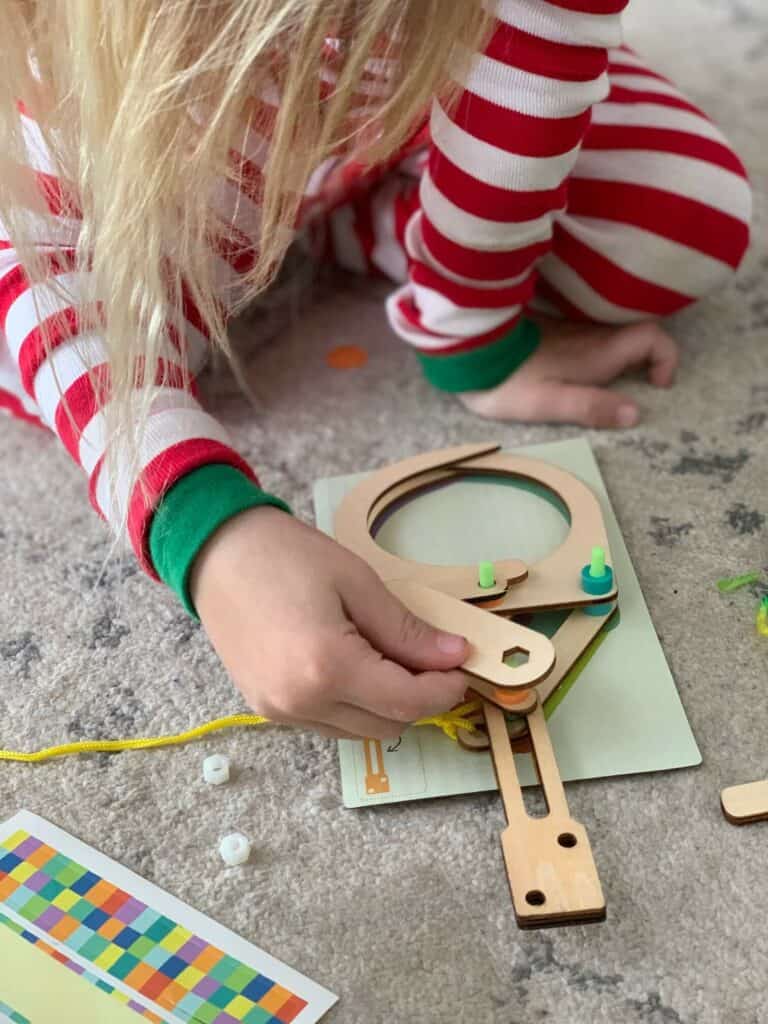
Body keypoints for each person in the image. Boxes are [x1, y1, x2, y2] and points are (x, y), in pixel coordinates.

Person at [0, 2, 751, 740]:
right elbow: (37, 273)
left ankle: (351, 213)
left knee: (688, 219)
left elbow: (539, 51)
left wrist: (473, 328)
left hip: (411, 73)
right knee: (93, 345)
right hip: (146, 89)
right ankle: (340, 214)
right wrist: (203, 526)